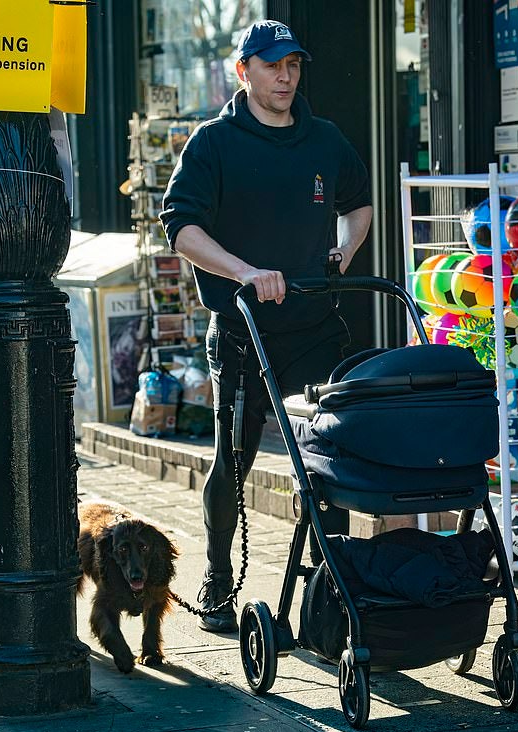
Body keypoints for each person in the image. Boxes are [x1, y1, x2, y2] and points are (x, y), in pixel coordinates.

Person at [160, 19, 372, 633]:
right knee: (232, 460)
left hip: (315, 324)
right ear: (244, 71)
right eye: (272, 65)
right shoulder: (213, 143)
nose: (285, 77)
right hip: (241, 327)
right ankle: (218, 578)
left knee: (329, 459)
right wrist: (245, 272)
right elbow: (182, 228)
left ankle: (330, 588)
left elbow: (358, 204)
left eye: (293, 65)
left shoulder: (324, 139)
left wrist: (344, 251)